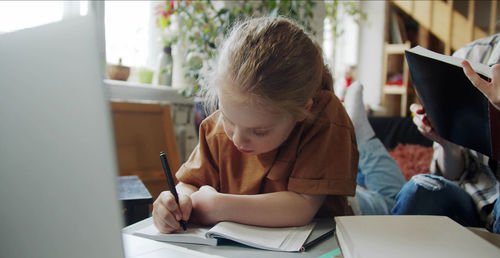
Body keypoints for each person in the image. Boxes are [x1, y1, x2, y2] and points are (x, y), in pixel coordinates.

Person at [152, 16, 359, 233]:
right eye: (228, 118)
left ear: (302, 111)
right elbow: (190, 184)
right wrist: (177, 201)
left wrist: (217, 205)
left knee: (382, 195)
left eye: (260, 131)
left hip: (318, 245)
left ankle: (367, 140)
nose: (238, 139)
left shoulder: (323, 118)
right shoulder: (216, 130)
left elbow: (302, 206)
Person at [392, 34, 500, 233]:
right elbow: (454, 174)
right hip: (474, 201)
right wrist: (446, 143)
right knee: (418, 189)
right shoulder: (469, 56)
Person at [343, 81, 406, 215]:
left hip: (333, 199)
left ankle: (361, 137)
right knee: (397, 203)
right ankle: (362, 137)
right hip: (333, 202)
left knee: (362, 179)